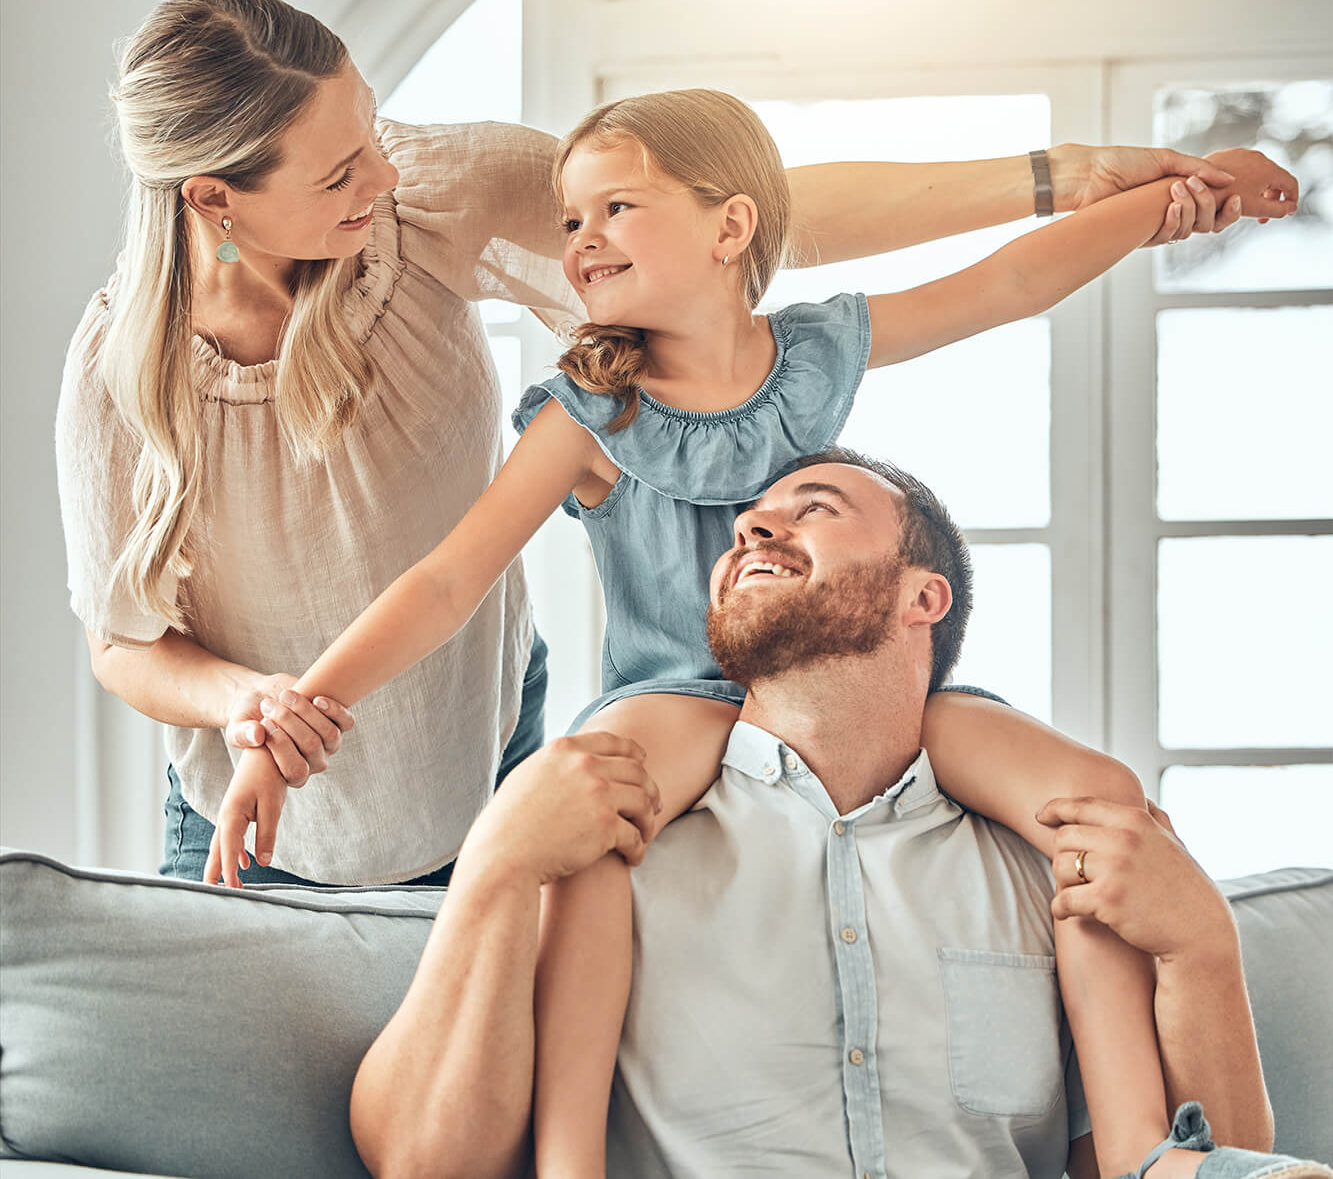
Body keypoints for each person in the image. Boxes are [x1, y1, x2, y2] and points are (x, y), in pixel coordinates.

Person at [204, 89, 1297, 1179]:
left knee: (1093, 796)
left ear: (730, 228)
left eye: (615, 208)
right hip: (671, 696)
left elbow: (1008, 284)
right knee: (592, 837)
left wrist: (1168, 199)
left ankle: (1149, 1156)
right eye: (571, 220)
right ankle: (571, 1158)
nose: (579, 240)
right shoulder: (591, 411)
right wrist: (294, 721)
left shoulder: (813, 355)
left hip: (820, 683)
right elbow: (447, 580)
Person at [56, 0, 1298, 890]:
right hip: (275, 802)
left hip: (477, 746)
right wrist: (272, 714)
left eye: (372, 132)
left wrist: (1093, 181)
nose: (378, 176)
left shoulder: (428, 200)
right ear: (213, 198)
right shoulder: (128, 375)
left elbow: (769, 217)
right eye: (337, 173)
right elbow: (148, 638)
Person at [346, 450, 1330, 1179]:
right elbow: (422, 1164)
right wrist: (494, 866)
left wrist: (1202, 945)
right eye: (745, 527)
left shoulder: (1052, 865)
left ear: (922, 595)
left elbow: (1188, 1163)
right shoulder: (612, 840)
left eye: (810, 509)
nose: (752, 531)